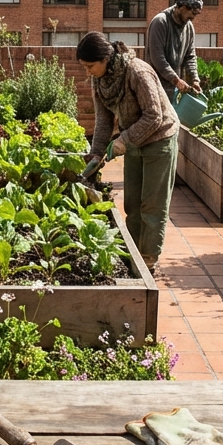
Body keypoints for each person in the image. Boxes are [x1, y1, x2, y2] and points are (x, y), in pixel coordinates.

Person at [76, 31, 179, 269]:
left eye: (90, 66)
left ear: (105, 59)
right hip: (133, 139)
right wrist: (96, 153)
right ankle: (133, 254)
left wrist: (123, 141)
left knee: (152, 205)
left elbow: (154, 116)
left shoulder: (137, 72)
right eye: (84, 67)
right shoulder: (100, 80)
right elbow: (103, 121)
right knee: (132, 203)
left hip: (160, 138)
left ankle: (149, 259)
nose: (87, 71)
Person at [145, 0, 204, 103]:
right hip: (154, 85)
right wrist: (176, 80)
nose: (192, 19)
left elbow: (190, 56)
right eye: (191, 15)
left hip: (173, 88)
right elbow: (157, 58)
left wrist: (195, 79)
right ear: (182, 7)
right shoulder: (160, 22)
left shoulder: (189, 27)